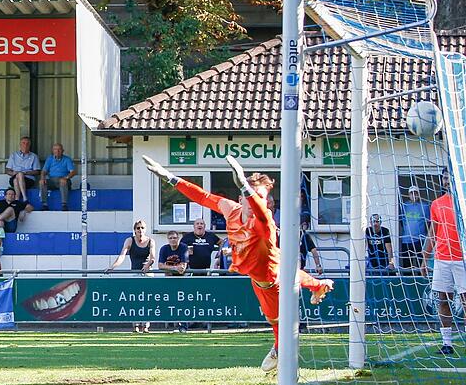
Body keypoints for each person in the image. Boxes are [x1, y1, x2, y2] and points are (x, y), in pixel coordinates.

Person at [143, 154, 333, 372]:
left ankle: (281, 351)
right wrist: (169, 177)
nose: (257, 201)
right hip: (263, 273)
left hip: (272, 280)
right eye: (252, 196)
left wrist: (244, 185)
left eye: (261, 197)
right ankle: (318, 285)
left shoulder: (265, 221)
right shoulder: (231, 209)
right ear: (240, 199)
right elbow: (203, 197)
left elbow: (261, 213)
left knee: (279, 323)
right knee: (287, 283)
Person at [422, 168, 465, 355]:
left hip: (462, 259)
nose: (447, 182)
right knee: (442, 300)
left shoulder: (463, 202)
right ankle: (447, 343)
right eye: (445, 179)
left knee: (465, 300)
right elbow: (433, 231)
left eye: (450, 178)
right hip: (442, 258)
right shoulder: (436, 204)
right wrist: (425, 258)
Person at [106, 219, 156, 333]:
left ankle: (146, 325)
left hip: (147, 274)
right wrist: (112, 267)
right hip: (134, 273)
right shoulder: (130, 241)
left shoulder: (151, 241)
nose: (140, 230)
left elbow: (153, 257)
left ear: (145, 229)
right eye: (138, 228)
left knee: (147, 300)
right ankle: (136, 325)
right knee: (135, 300)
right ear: (134, 230)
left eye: (142, 228)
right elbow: (122, 256)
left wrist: (148, 265)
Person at [400, 185, 430, 274]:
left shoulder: (424, 206)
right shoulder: (404, 205)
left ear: (418, 194)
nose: (414, 195)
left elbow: (428, 222)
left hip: (420, 240)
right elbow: (402, 221)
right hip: (406, 240)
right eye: (411, 193)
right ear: (409, 195)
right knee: (407, 266)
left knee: (420, 264)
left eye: (415, 193)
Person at [39, 143, 76, 211]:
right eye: (55, 149)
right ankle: (44, 204)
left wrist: (66, 178)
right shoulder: (49, 159)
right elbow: (44, 171)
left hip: (63, 179)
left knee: (63, 182)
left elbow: (73, 172)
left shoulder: (67, 159)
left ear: (63, 151)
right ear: (53, 150)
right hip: (52, 180)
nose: (57, 151)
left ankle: (64, 205)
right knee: (42, 182)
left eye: (59, 149)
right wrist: (42, 178)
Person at [6, 136, 41, 201]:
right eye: (23, 143)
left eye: (27, 143)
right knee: (17, 177)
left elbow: (37, 171)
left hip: (28, 180)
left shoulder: (34, 156)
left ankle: (17, 199)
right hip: (15, 176)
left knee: (18, 177)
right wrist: (13, 173)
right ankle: (25, 198)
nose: (25, 145)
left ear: (30, 145)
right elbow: (7, 170)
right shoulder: (13, 155)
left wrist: (25, 173)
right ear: (20, 144)